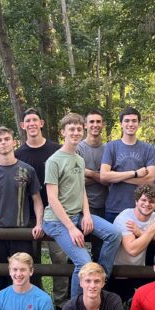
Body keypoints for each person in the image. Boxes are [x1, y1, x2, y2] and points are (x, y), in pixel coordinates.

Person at [42, 113, 121, 298]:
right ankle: (76, 305)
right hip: (56, 221)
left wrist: (86, 214)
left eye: (79, 129)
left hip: (78, 215)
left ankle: (99, 278)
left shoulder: (79, 159)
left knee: (114, 234)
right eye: (71, 129)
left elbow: (81, 190)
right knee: (83, 262)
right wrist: (71, 228)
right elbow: (52, 198)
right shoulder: (54, 161)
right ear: (63, 132)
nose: (76, 132)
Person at [0, 126, 44, 291]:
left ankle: (27, 304)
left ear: (14, 142)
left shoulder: (27, 170)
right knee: (0, 275)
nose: (3, 143)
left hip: (21, 231)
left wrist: (39, 223)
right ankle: (3, 304)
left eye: (7, 139)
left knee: (24, 274)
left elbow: (37, 200)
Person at [15, 108, 70, 307]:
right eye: (27, 120)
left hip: (56, 213)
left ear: (41, 123)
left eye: (34, 120)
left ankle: (60, 302)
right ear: (23, 125)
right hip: (28, 215)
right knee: (30, 259)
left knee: (59, 258)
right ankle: (36, 300)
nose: (31, 123)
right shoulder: (18, 154)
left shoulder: (57, 150)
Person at [111, 185, 155, 302]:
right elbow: (132, 250)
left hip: (140, 270)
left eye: (151, 201)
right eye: (143, 200)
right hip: (118, 271)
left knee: (145, 303)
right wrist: (151, 230)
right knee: (118, 304)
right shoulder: (125, 217)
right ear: (136, 201)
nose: (147, 204)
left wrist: (141, 233)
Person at [100, 107, 155, 223]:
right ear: (121, 124)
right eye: (126, 121)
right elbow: (104, 176)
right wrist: (135, 173)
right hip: (114, 208)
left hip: (140, 209)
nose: (130, 124)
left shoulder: (148, 148)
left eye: (134, 121)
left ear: (138, 124)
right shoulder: (111, 146)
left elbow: (151, 179)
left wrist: (117, 177)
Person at [76, 109, 109, 262]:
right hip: (80, 208)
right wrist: (101, 175)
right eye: (91, 122)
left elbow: (110, 179)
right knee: (78, 251)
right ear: (85, 125)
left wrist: (88, 172)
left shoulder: (108, 149)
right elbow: (75, 180)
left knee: (99, 251)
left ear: (103, 124)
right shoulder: (78, 148)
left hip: (103, 206)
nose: (95, 125)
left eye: (98, 122)